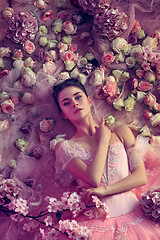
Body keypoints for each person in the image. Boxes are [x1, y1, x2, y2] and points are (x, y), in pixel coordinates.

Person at [53, 78, 160, 240]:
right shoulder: (64, 148)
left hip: (138, 216)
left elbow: (140, 177)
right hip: (99, 226)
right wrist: (103, 141)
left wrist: (105, 191)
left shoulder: (121, 132)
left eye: (78, 97)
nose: (74, 103)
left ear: (89, 101)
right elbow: (93, 179)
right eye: (66, 103)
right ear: (63, 114)